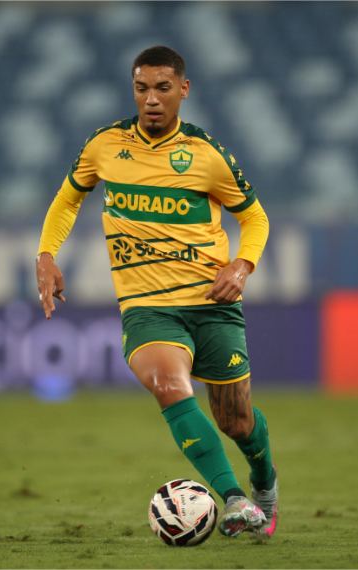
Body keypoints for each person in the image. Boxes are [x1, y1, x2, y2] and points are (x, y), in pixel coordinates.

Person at [35, 46, 278, 539]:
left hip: (211, 305)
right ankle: (233, 499)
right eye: (142, 88)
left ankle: (264, 485)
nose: (151, 99)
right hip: (147, 308)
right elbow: (67, 198)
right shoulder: (104, 145)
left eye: (162, 88)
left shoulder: (207, 155)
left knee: (236, 421)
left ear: (183, 90)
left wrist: (243, 263)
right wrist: (45, 254)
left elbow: (254, 216)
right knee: (168, 385)